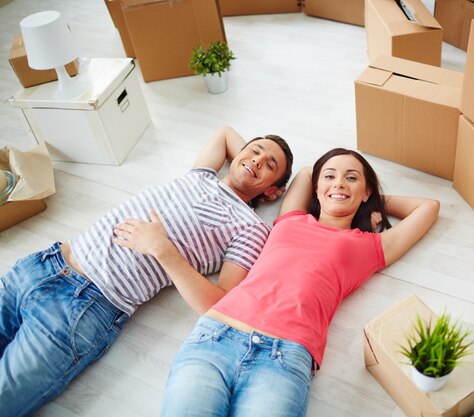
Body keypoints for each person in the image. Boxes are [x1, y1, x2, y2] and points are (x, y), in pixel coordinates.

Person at [121, 147, 440, 417]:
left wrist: (367, 199)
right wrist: (343, 185)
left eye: (352, 177)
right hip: (216, 337)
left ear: (367, 190)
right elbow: (304, 172)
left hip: (285, 356)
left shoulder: (369, 246)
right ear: (316, 188)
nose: (338, 182)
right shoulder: (292, 218)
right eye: (329, 176)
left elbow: (428, 207)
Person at [0, 126, 293, 417]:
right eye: (254, 151)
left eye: (270, 165)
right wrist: (253, 157)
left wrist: (162, 249)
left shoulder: (250, 227)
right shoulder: (201, 175)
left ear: (271, 191)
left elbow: (220, 306)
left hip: (84, 307)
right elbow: (225, 133)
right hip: (42, 264)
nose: (257, 160)